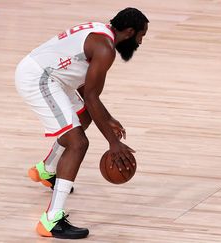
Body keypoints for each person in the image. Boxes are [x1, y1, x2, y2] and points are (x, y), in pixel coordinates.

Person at [15, 7, 149, 239]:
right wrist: (113, 143)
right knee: (77, 143)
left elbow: (87, 90)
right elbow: (91, 95)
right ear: (129, 31)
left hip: (50, 75)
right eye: (140, 35)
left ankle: (45, 170)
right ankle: (51, 221)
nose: (140, 42)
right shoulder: (105, 49)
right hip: (40, 79)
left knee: (84, 116)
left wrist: (107, 118)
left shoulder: (101, 32)